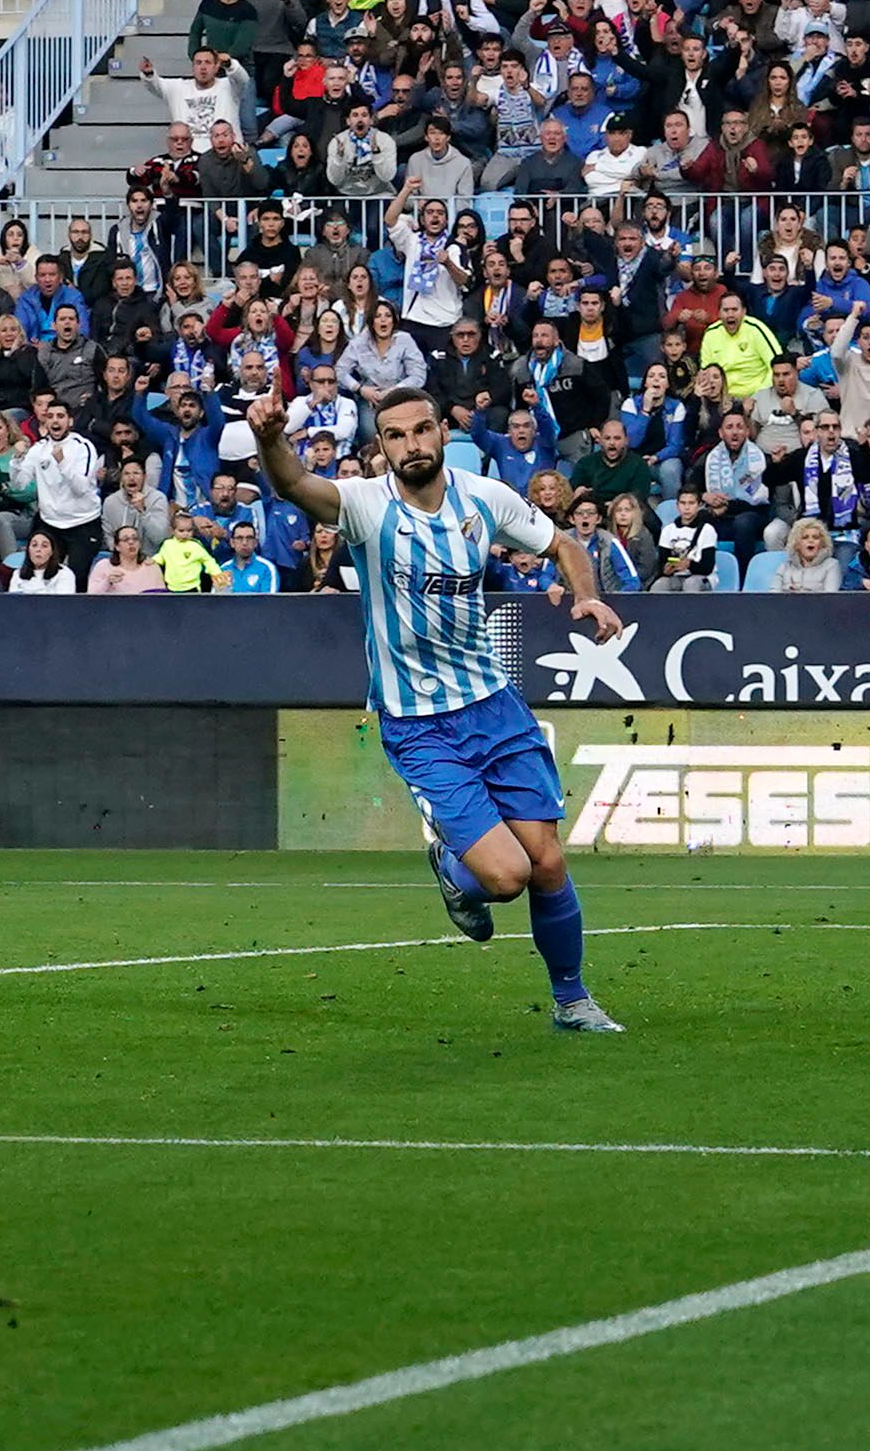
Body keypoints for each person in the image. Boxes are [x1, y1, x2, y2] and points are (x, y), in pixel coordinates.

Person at [249, 386, 627, 1033]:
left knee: (548, 861)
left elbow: (563, 544)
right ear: (382, 446)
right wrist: (268, 437)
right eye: (395, 435)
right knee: (506, 876)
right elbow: (293, 484)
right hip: (420, 723)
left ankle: (572, 1000)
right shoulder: (366, 506)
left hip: (494, 704)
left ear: (442, 434)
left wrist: (586, 595)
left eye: (423, 429)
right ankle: (455, 870)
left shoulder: (484, 496)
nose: (412, 444)